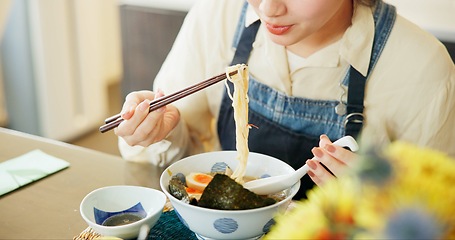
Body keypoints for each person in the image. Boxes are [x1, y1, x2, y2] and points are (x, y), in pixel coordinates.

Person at [115, 0, 455, 199]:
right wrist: (156, 131)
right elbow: (169, 160)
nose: (269, 8)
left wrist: (381, 203)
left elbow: (440, 216)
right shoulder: (218, 14)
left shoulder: (421, 66)